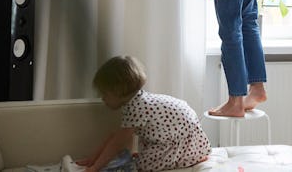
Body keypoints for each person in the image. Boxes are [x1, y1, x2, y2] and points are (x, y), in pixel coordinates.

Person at [77, 56, 211, 172]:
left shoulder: (137, 108)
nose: (103, 99)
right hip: (187, 134)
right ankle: (193, 155)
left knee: (143, 165)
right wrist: (93, 160)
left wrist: (95, 168)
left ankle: (191, 157)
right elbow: (117, 138)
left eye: (105, 94)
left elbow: (117, 142)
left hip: (181, 142)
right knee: (137, 155)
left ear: (118, 91)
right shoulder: (136, 102)